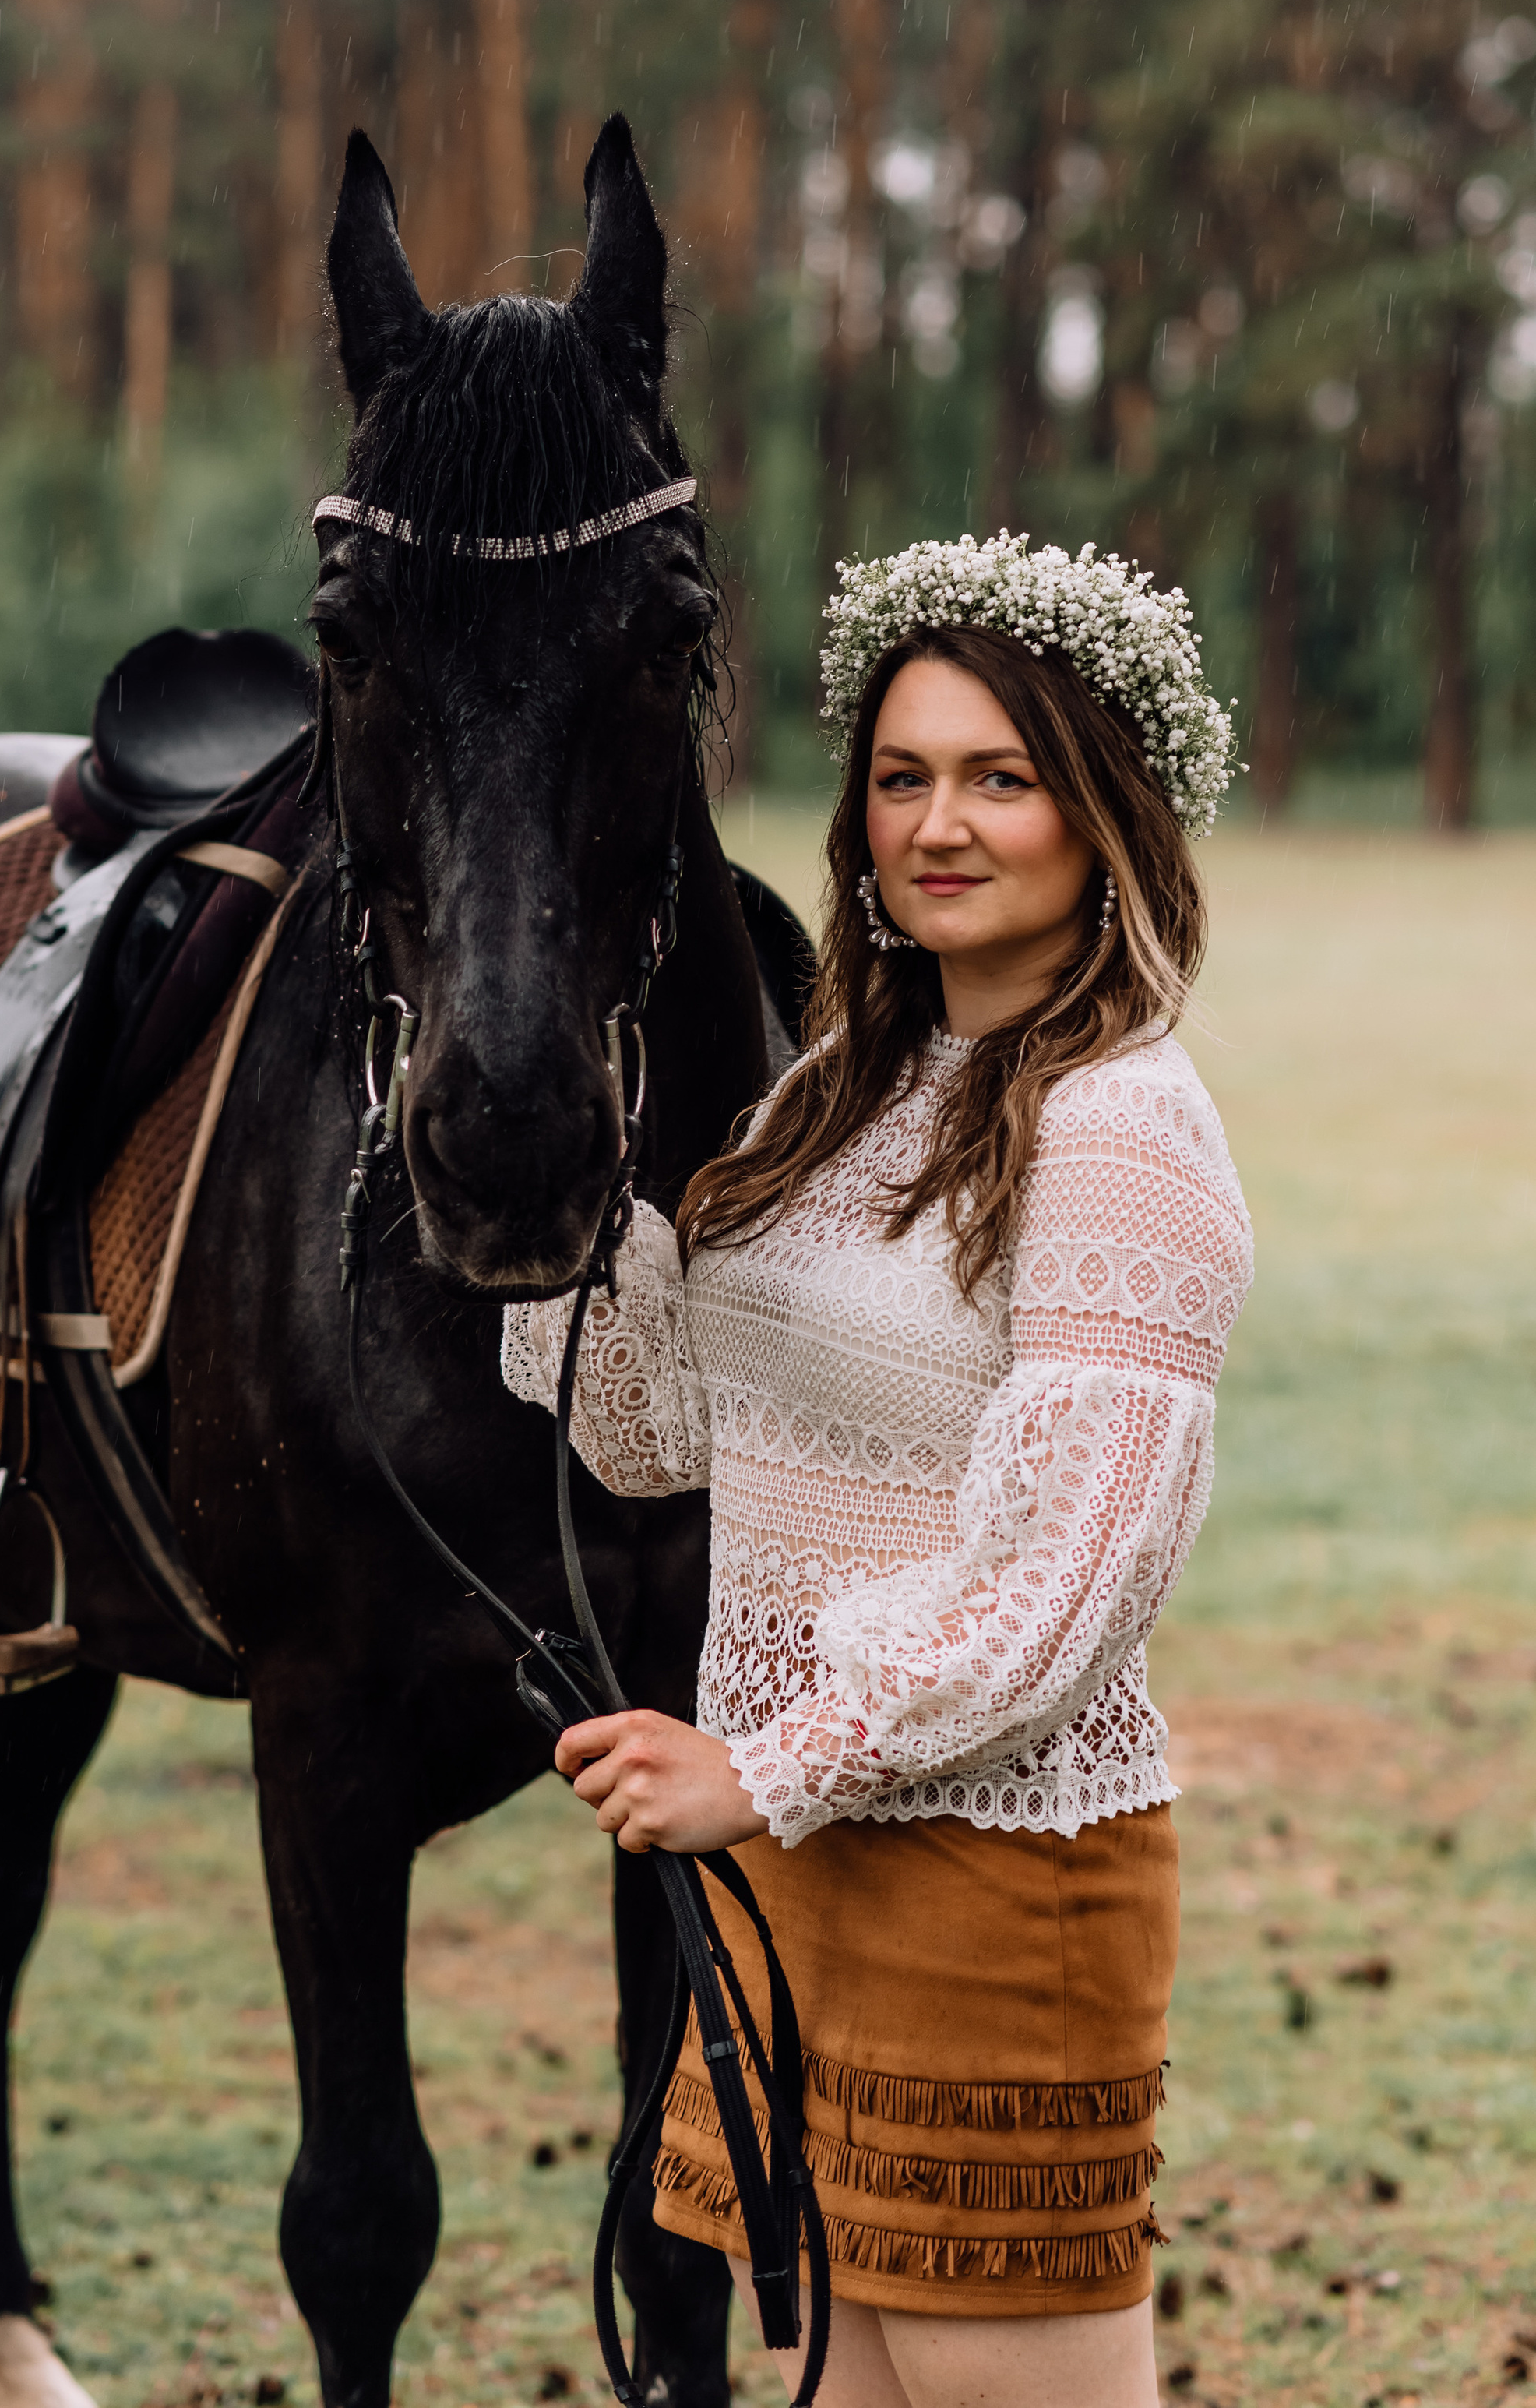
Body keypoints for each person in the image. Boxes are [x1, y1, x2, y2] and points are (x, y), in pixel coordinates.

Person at [503, 533, 1253, 2408]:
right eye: (901, 776)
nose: (939, 824)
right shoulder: (846, 1080)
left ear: (1105, 811)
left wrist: (755, 1765)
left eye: (999, 778)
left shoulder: (1122, 1129)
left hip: (990, 1883)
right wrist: (568, 1226)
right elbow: (664, 1433)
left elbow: (1061, 1591)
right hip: (797, 1872)